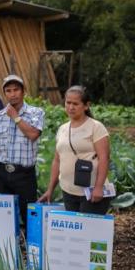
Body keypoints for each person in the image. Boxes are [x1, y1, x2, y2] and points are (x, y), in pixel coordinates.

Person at [0, 75, 45, 233]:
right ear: (4, 94)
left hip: (24, 174)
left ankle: (30, 246)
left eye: (16, 90)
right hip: (1, 173)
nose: (12, 94)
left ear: (23, 91)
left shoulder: (36, 113)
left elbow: (33, 134)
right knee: (1, 217)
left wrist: (15, 117)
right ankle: (7, 247)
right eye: (8, 91)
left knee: (28, 216)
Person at [39, 85, 112, 214]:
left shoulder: (96, 127)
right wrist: (50, 189)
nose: (71, 107)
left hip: (91, 192)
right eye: (68, 103)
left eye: (75, 104)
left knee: (88, 227)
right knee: (73, 227)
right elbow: (57, 160)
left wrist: (99, 187)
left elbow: (104, 158)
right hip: (68, 191)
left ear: (86, 105)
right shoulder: (62, 129)